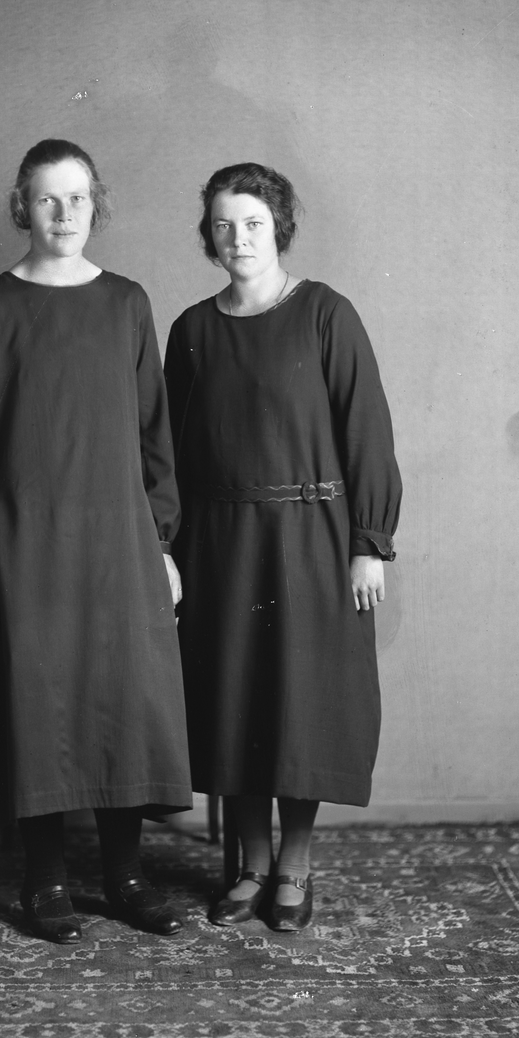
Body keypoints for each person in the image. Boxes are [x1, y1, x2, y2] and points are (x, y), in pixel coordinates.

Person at [0, 139, 192, 944]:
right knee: (38, 703)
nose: (63, 213)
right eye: (47, 198)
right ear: (23, 206)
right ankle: (43, 879)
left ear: (96, 204)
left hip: (119, 544)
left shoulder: (125, 303)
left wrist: (161, 543)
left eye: (77, 197)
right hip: (26, 544)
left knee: (124, 704)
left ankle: (124, 878)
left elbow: (154, 434)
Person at [165, 163, 402, 932]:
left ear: (279, 228)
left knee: (300, 706)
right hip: (219, 545)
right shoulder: (192, 331)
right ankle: (250, 866)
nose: (238, 238)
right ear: (208, 236)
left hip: (311, 541)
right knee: (234, 700)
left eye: (253, 224)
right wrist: (166, 549)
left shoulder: (326, 314)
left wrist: (369, 543)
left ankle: (294, 868)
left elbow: (366, 432)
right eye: (223, 225)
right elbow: (166, 454)